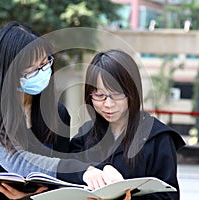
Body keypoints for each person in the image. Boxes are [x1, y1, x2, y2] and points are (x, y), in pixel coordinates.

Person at [0, 21, 123, 200]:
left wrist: (100, 169)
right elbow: (16, 161)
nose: (42, 71)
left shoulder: (58, 112)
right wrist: (80, 171)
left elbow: (60, 172)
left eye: (45, 63)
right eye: (32, 68)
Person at [69, 49, 186, 200]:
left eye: (117, 94)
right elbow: (64, 168)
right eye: (99, 95)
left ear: (132, 91)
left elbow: (169, 196)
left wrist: (127, 195)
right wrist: (87, 171)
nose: (108, 104)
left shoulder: (158, 138)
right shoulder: (86, 133)